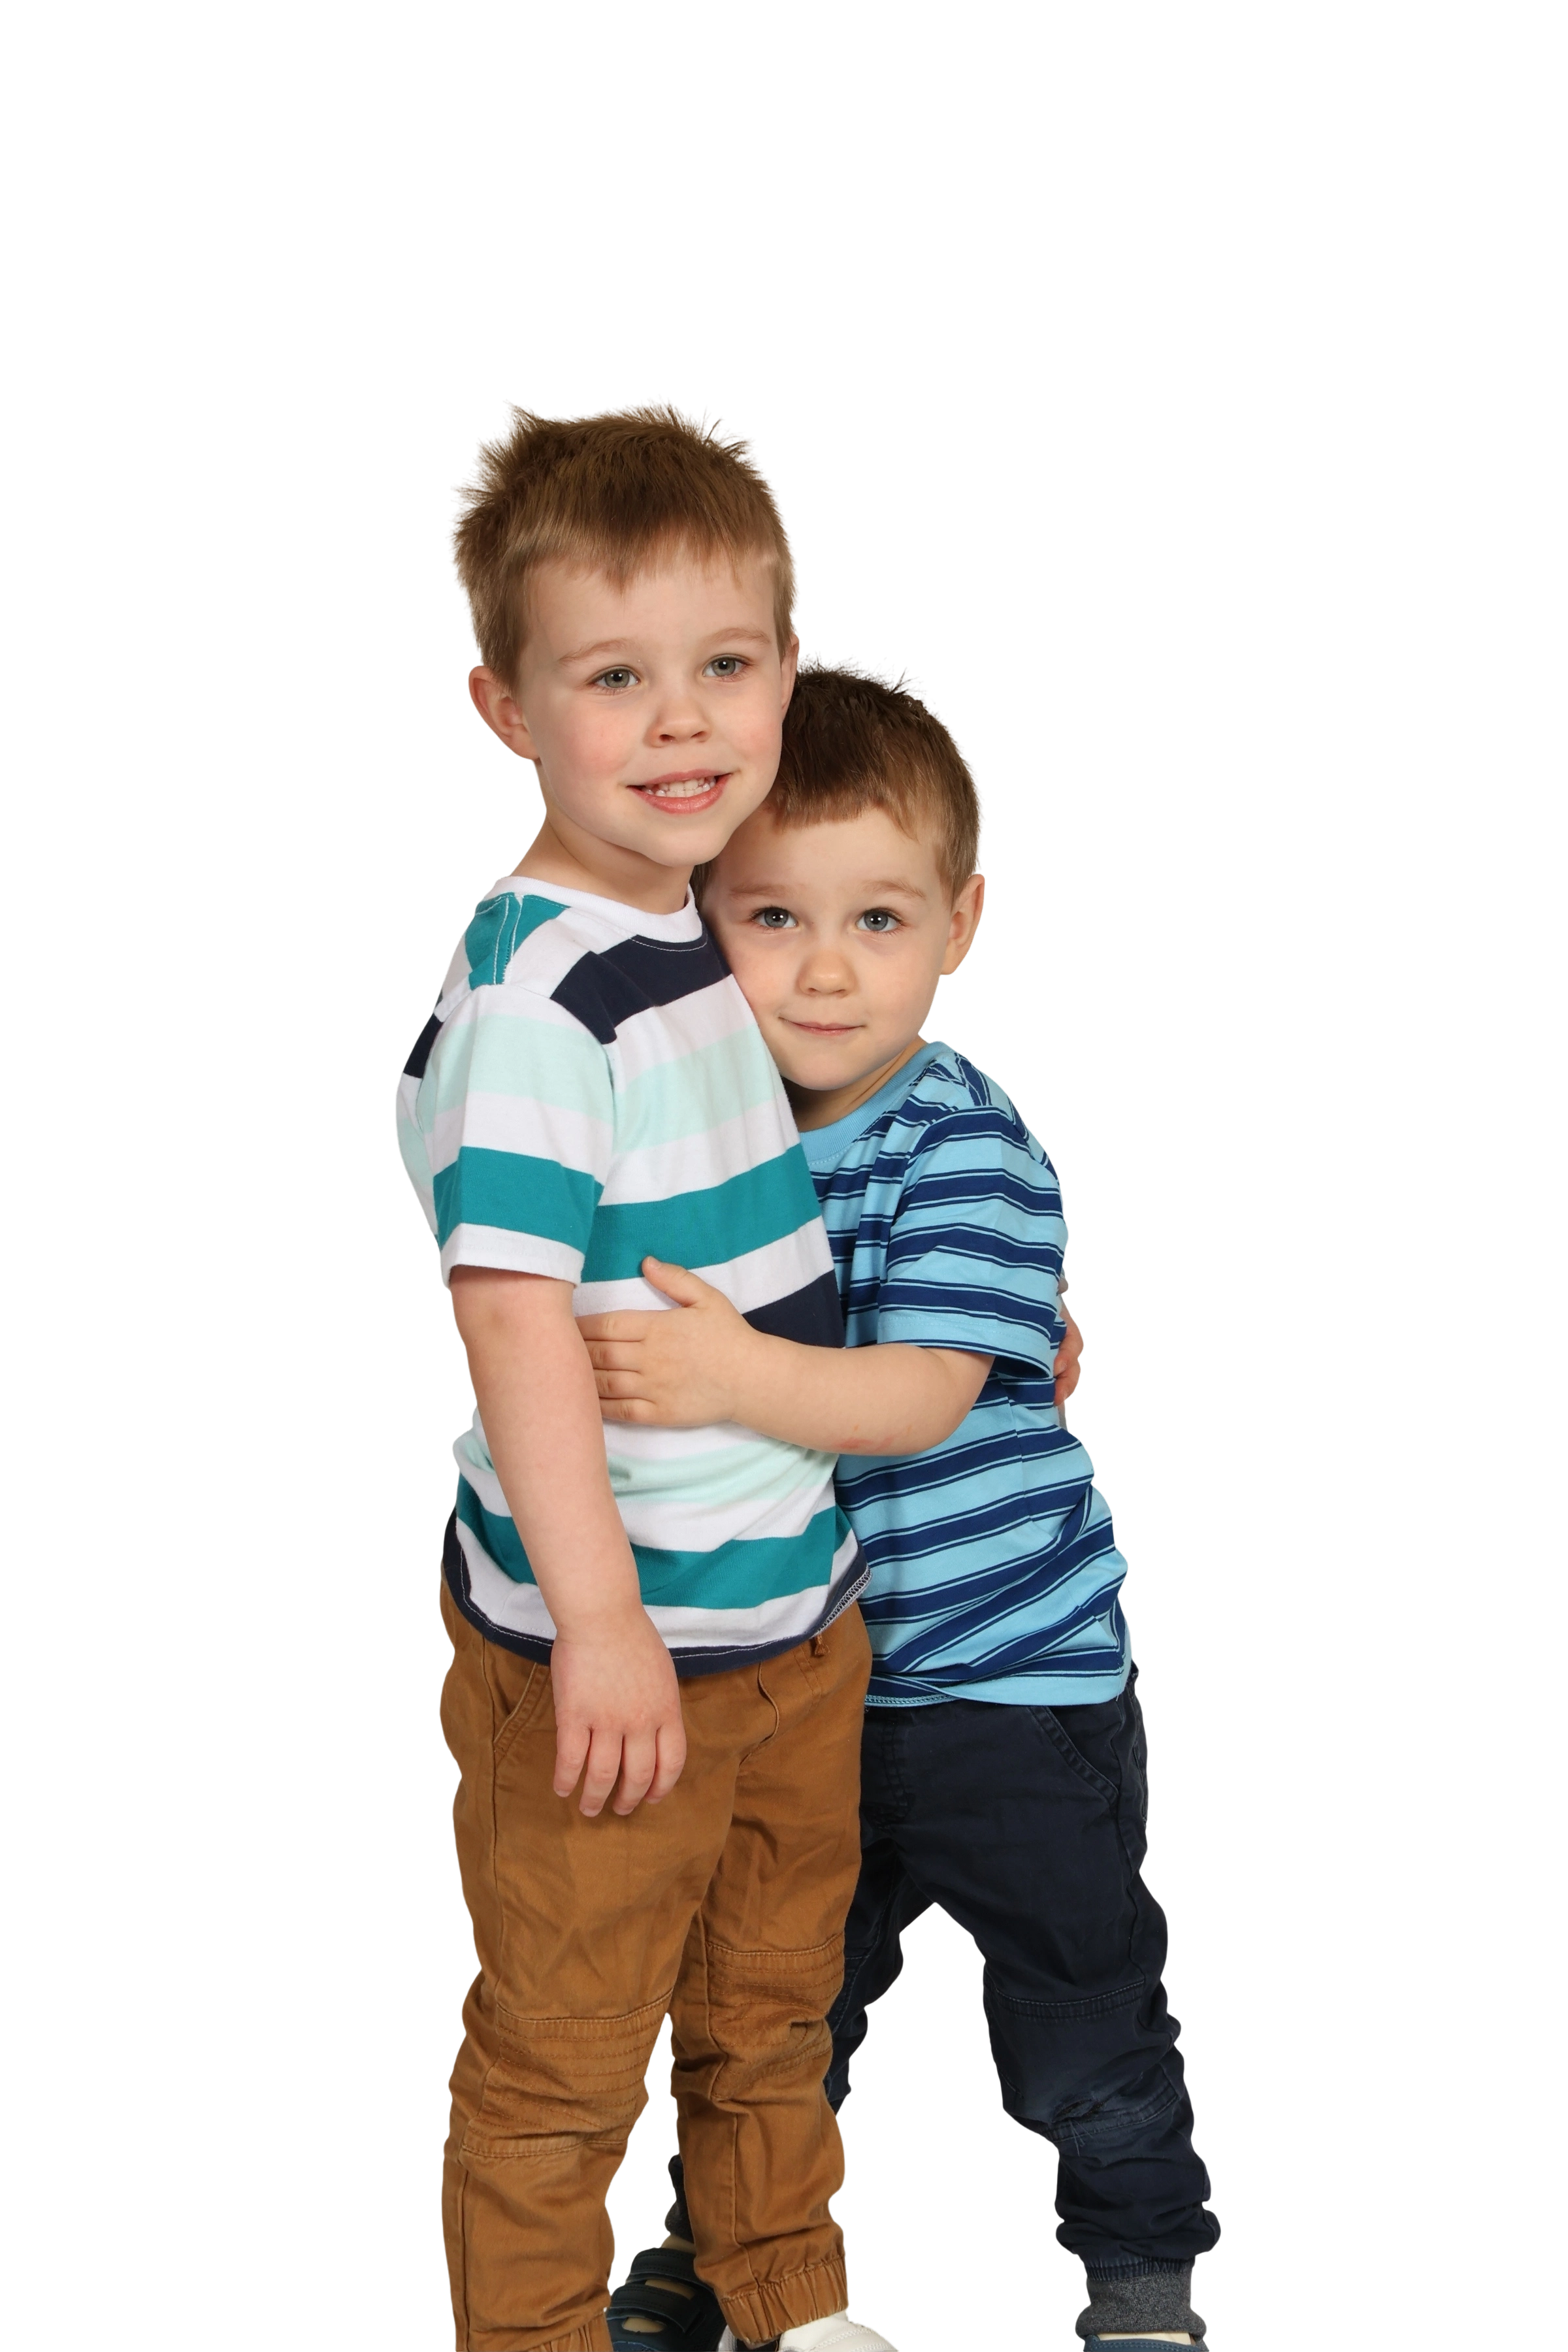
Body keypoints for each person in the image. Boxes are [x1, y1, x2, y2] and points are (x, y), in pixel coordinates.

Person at [584, 652, 1222, 2352]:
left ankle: (1142, 2289)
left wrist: (732, 1376)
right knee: (766, 2011)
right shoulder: (700, 1147)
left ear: (961, 921)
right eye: (771, 918)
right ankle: (722, 2252)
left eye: (877, 919)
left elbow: (920, 1397)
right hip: (804, 1695)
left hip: (1012, 1691)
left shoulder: (961, 1139)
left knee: (1082, 2016)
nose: (823, 969)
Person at [395, 402, 925, 2352]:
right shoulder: (541, 993)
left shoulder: (693, 921)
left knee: (770, 2010)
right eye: (614, 677)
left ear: (787, 670)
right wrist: (603, 1621)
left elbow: (764, 1191)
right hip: (612, 1656)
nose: (683, 720)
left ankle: (786, 2302)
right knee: (565, 2058)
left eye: (726, 664)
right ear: (506, 708)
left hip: (789, 1611)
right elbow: (513, 1312)